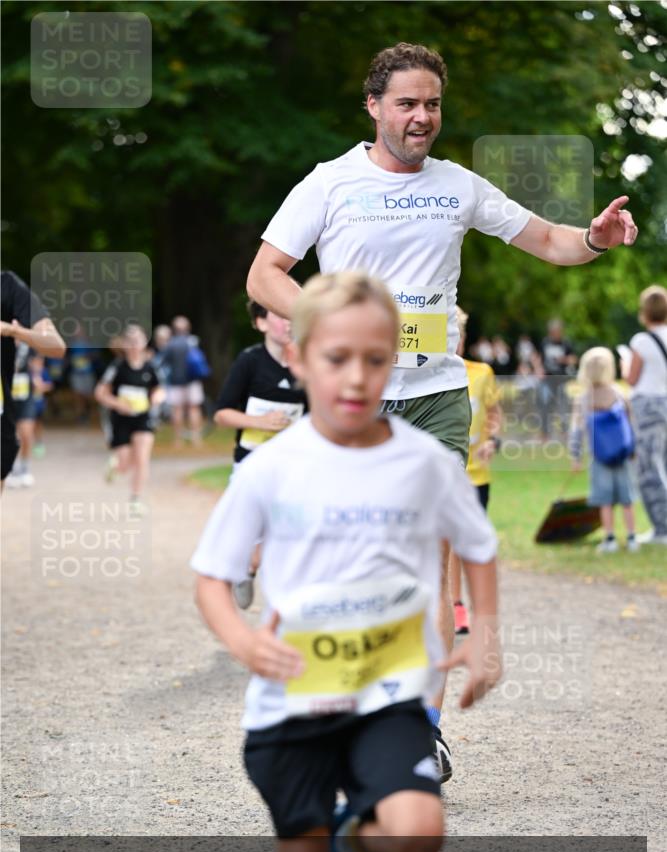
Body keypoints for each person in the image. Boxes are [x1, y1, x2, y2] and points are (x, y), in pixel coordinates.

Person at [246, 41, 638, 777]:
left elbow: (548, 240)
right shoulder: (329, 183)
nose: (421, 117)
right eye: (406, 104)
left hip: (436, 400)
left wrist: (593, 237)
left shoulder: (458, 186)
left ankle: (419, 734)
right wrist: (340, 324)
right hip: (353, 403)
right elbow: (265, 275)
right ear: (373, 106)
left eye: (431, 104)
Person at [192, 272, 501, 852]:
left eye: (374, 358)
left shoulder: (424, 462)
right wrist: (241, 641)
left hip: (387, 693)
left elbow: (478, 544)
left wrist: (484, 631)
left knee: (417, 831)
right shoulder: (271, 469)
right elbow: (212, 576)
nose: (357, 377)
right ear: (299, 359)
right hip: (293, 703)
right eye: (336, 359)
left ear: (396, 359)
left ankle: (355, 832)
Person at [213, 301, 307, 609]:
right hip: (250, 463)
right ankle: (247, 567)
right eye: (280, 315)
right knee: (251, 536)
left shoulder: (306, 363)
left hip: (292, 467)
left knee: (288, 533)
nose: (288, 322)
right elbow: (222, 414)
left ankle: (287, 604)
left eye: (291, 315)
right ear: (261, 323)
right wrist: (259, 422)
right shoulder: (249, 361)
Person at [450, 308, 502, 633]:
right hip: (445, 475)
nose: (455, 342)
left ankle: (477, 609)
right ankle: (455, 606)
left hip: (476, 474)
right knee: (448, 543)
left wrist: (493, 440)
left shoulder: (482, 373)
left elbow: (494, 412)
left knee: (471, 542)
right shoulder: (424, 377)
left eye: (459, 335)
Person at [569, 347, 637, 554]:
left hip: (598, 456)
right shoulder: (619, 393)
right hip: (623, 454)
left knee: (604, 500)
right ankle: (632, 538)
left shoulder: (583, 399)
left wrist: (575, 456)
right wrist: (634, 449)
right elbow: (631, 424)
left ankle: (609, 538)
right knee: (627, 498)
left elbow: (576, 430)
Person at [1, 270, 65, 487]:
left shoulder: (8, 286)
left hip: (14, 399)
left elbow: (56, 346)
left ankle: (24, 467)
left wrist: (12, 331)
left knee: (26, 432)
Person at [94, 324, 163, 515]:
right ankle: (116, 467)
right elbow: (100, 393)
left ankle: (136, 499)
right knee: (125, 464)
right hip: (120, 420)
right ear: (124, 344)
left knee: (142, 459)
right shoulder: (117, 367)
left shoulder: (151, 366)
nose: (134, 345)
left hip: (143, 418)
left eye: (137, 341)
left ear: (144, 342)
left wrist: (157, 397)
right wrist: (117, 403)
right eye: (130, 341)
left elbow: (159, 388)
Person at [626, 285, 667, 545]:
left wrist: (624, 365)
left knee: (649, 468)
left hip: (648, 407)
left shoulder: (641, 341)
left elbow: (632, 379)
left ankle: (662, 528)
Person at [5, 348, 53, 488]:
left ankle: (24, 468)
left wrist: (36, 376)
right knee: (9, 437)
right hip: (7, 398)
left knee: (26, 434)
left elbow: (38, 365)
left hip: (26, 398)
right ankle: (11, 469)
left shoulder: (29, 347)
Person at [163, 315, 205, 446]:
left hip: (176, 381)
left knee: (177, 410)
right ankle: (196, 439)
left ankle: (178, 440)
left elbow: (165, 361)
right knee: (194, 409)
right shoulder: (193, 341)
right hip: (193, 380)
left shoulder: (171, 344)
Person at [538, 318, 578, 440]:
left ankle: (564, 432)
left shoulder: (566, 343)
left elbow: (574, 359)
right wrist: (539, 369)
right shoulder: (545, 342)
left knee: (563, 406)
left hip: (561, 379)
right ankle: (545, 433)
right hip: (547, 379)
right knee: (544, 403)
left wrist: (564, 360)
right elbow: (540, 358)